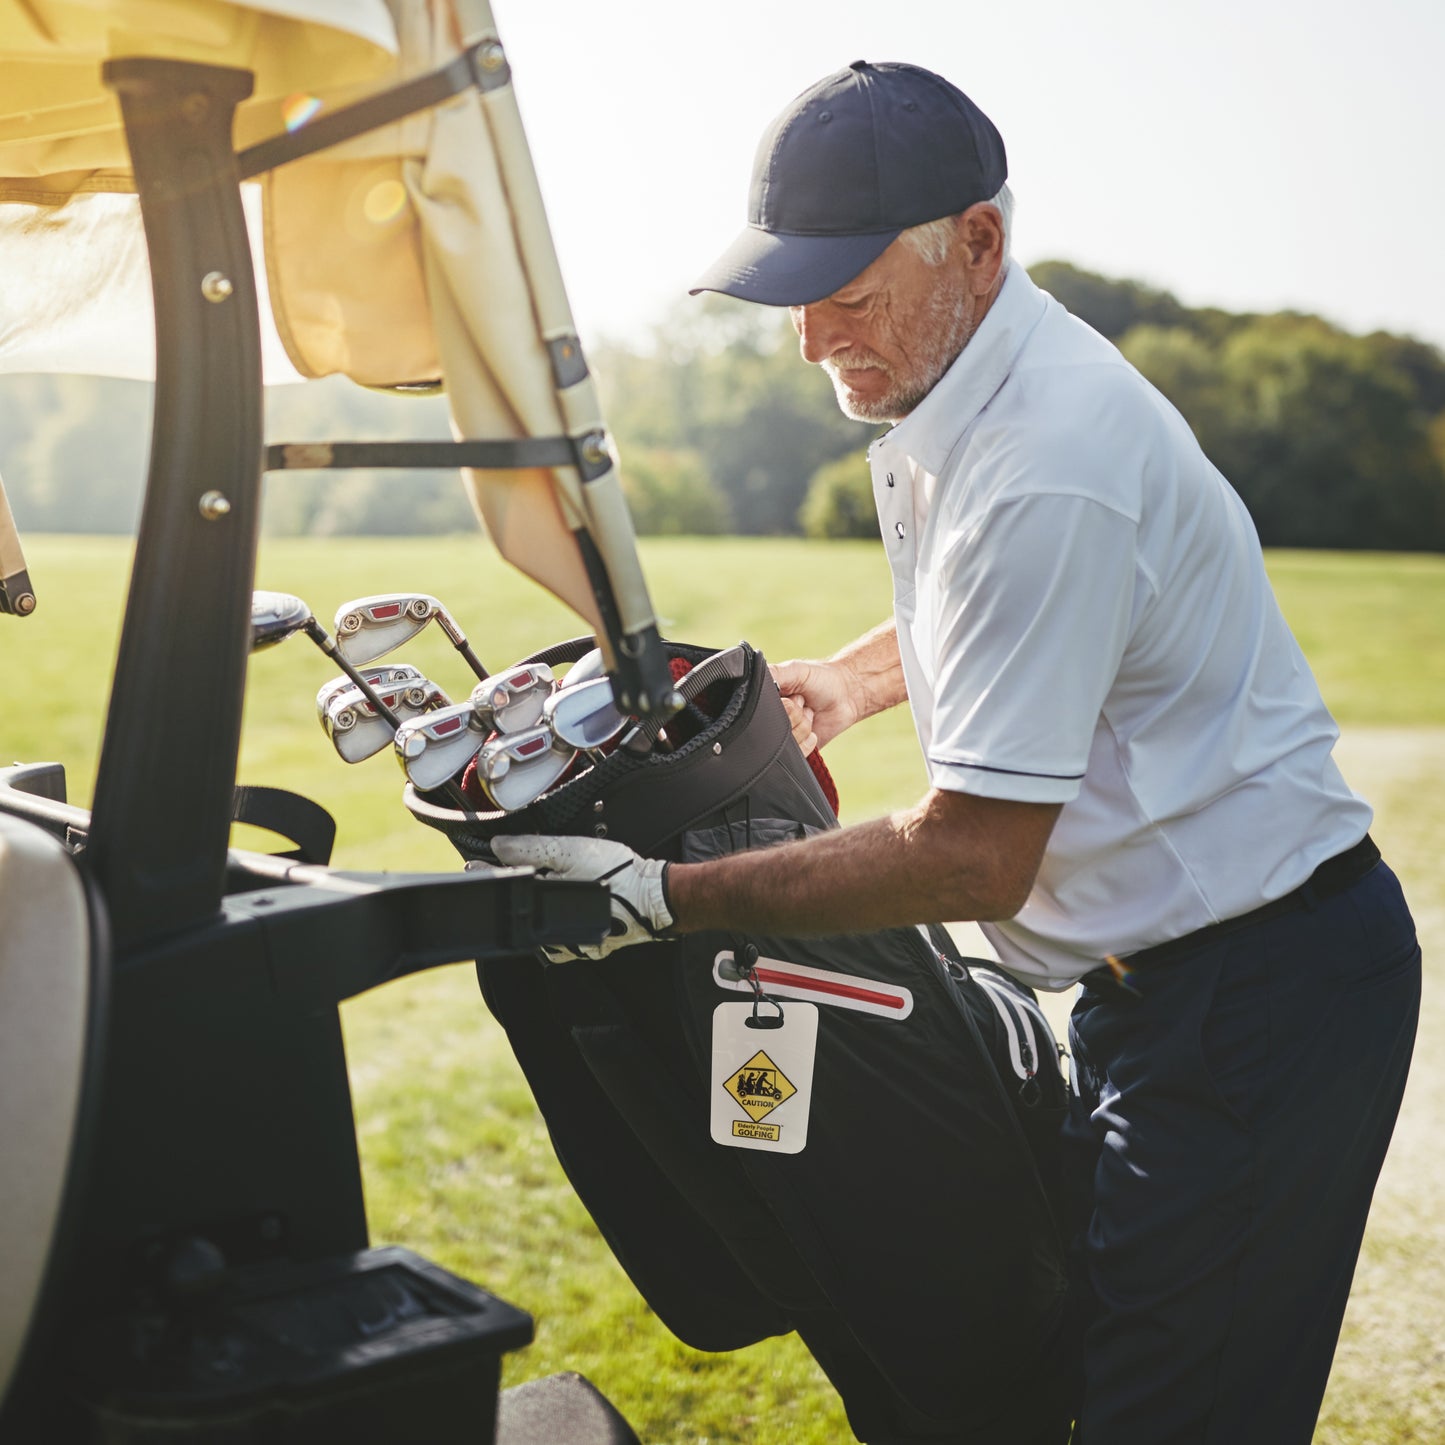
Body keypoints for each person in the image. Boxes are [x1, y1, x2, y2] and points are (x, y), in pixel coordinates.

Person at [492, 60, 1421, 1444]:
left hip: (1255, 995)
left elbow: (973, 859)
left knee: (1169, 1414)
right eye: (792, 298)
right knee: (1064, 1368)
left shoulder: (1049, 454)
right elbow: (997, 609)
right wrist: (856, 681)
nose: (812, 339)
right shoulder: (971, 392)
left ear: (975, 242)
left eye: (846, 294)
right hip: (1163, 985)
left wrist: (660, 899)